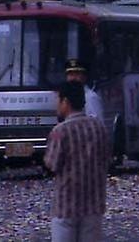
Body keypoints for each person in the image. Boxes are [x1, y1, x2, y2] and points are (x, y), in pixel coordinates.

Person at [43, 80, 109, 242]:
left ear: (65, 102)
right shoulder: (98, 127)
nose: (57, 106)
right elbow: (106, 158)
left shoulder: (60, 131)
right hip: (94, 203)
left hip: (67, 205)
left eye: (58, 101)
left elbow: (52, 164)